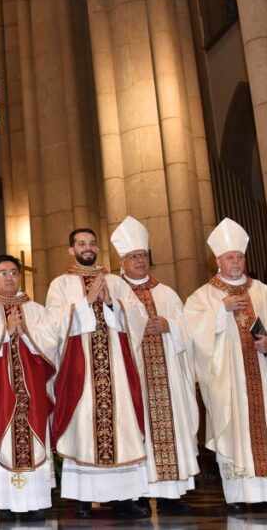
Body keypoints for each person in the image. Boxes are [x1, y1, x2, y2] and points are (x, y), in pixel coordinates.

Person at [183, 218, 267, 513]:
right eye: (230, 257)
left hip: (263, 374)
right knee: (231, 429)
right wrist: (221, 311)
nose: (236, 261)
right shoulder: (203, 296)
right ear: (217, 261)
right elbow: (193, 333)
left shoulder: (262, 291)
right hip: (227, 379)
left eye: (240, 256)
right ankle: (236, 495)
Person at [47, 227, 149, 519]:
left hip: (116, 370)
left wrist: (110, 303)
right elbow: (52, 324)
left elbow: (138, 316)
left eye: (92, 243)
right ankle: (82, 498)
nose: (88, 247)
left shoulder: (116, 282)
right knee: (83, 427)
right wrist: (84, 302)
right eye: (81, 243)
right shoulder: (60, 284)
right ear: (71, 250)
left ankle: (123, 498)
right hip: (81, 373)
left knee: (121, 427)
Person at [111, 217, 200, 515]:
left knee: (168, 426)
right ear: (121, 262)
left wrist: (170, 325)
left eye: (143, 256)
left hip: (166, 375)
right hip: (131, 375)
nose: (140, 261)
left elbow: (190, 328)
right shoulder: (114, 293)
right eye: (133, 257)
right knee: (134, 427)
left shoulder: (167, 293)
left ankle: (169, 495)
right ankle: (134, 493)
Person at [0, 254, 58, 521]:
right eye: (3, 273)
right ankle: (3, 503)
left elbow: (51, 341)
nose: (9, 277)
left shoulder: (36, 309)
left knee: (35, 436)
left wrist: (25, 330)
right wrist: (5, 331)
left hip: (32, 391)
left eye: (14, 272)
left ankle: (36, 501)